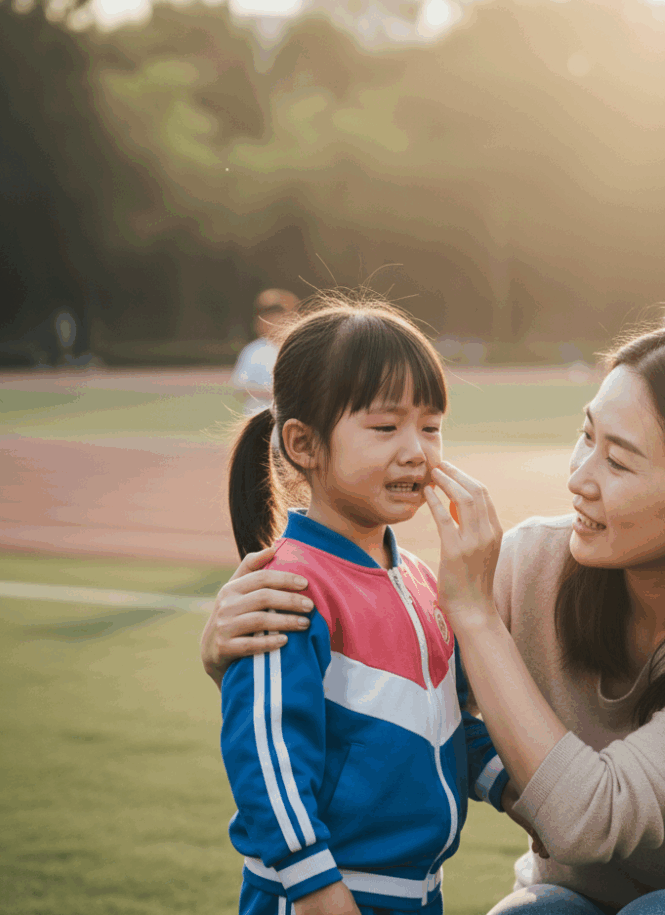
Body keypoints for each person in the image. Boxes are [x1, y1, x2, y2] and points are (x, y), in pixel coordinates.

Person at [202, 325, 665, 915]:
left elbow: (587, 822)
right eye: (586, 436)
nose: (578, 476)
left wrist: (475, 615)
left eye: (619, 459)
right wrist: (233, 652)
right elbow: (431, 711)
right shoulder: (534, 564)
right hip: (574, 898)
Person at [218, 298, 510, 915]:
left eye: (430, 427)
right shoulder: (289, 588)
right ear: (304, 444)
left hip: (418, 894)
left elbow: (452, 729)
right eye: (385, 427)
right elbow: (268, 759)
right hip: (320, 897)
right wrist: (321, 893)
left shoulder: (425, 581)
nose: (417, 451)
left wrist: (529, 792)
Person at [231, 288, 301, 414]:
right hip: (257, 419)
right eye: (267, 318)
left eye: (278, 317)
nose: (273, 322)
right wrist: (271, 393)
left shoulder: (297, 349)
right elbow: (240, 388)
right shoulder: (253, 351)